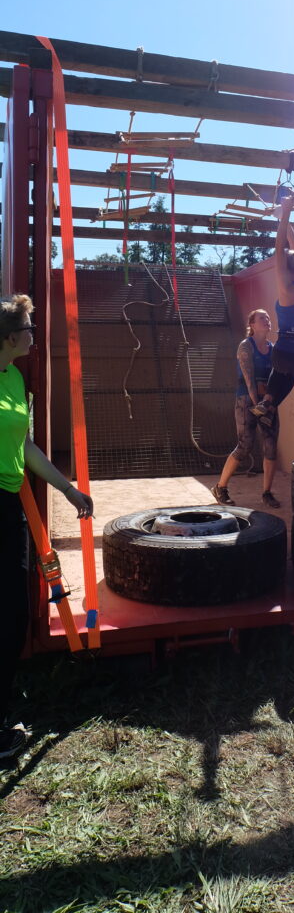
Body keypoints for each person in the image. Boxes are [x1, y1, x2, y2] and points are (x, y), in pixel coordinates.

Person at [0, 294, 93, 760]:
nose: (34, 337)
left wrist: (68, 490)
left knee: (13, 613)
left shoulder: (15, 378)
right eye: (29, 330)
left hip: (8, 505)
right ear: (9, 337)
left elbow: (26, 446)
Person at [250, 191, 294, 427]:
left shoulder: (287, 290)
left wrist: (286, 212)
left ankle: (269, 400)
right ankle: (269, 404)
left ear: (286, 269)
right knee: (289, 373)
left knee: (281, 370)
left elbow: (279, 249)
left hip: (288, 353)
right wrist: (284, 219)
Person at [211, 308, 281, 509]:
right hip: (246, 400)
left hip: (267, 401)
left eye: (268, 317)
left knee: (271, 446)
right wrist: (258, 405)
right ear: (252, 324)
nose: (267, 320)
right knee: (245, 445)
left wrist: (269, 403)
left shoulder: (273, 349)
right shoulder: (245, 346)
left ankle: (267, 493)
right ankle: (220, 487)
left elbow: (277, 379)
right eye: (262, 318)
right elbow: (249, 381)